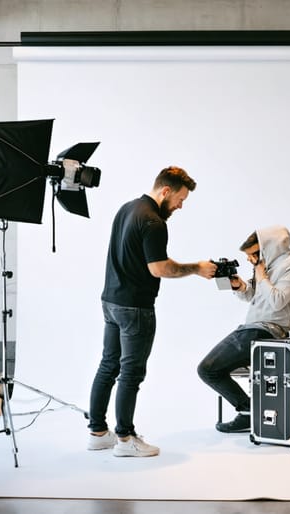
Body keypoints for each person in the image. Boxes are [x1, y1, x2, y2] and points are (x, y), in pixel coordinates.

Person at [87, 165, 218, 457]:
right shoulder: (155, 221)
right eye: (180, 199)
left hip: (110, 301)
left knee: (109, 365)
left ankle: (97, 432)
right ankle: (125, 439)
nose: (181, 206)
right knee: (131, 374)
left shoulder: (127, 208)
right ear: (166, 191)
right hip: (135, 308)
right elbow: (159, 268)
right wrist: (196, 268)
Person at [197, 225, 290, 433]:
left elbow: (277, 301)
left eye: (253, 254)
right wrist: (240, 286)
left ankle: (248, 413)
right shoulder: (266, 265)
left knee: (207, 370)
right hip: (251, 328)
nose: (250, 259)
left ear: (269, 248)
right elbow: (254, 296)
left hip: (268, 330)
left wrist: (261, 275)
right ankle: (249, 411)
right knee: (209, 369)